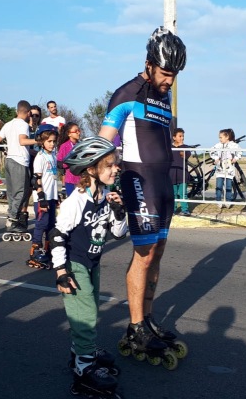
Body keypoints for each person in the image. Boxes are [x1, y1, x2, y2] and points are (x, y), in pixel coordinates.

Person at [98, 26, 186, 352]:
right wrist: (99, 181)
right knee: (144, 255)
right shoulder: (127, 94)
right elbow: (104, 141)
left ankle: (147, 319)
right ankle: (135, 327)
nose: (169, 81)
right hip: (139, 182)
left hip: (163, 185)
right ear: (149, 64)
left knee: (158, 255)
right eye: (165, 73)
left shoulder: (165, 95)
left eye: (174, 75)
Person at [48, 137, 126, 396]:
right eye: (109, 165)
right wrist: (61, 272)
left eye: (115, 164)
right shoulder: (77, 200)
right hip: (75, 264)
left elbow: (118, 233)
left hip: (93, 263)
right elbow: (57, 235)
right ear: (91, 169)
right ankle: (84, 369)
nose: (115, 169)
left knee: (88, 311)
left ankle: (81, 352)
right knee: (86, 316)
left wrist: (118, 210)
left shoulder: (105, 195)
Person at [0, 100, 37, 233]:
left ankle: (12, 219)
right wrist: (39, 140)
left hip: (9, 161)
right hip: (19, 162)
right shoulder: (23, 125)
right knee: (21, 192)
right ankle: (12, 219)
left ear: (17, 111)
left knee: (12, 193)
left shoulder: (9, 124)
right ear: (28, 113)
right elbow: (22, 141)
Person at [28, 124, 59, 268]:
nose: (52, 144)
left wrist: (56, 196)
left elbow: (53, 178)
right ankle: (35, 252)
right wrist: (41, 198)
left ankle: (48, 250)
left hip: (51, 196)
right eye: (49, 141)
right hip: (42, 198)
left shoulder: (52, 155)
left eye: (53, 141)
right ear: (41, 142)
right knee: (42, 223)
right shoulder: (40, 157)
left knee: (51, 225)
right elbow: (36, 180)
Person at [209, 128, 242, 209]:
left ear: (227, 137)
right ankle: (218, 200)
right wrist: (216, 158)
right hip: (220, 169)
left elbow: (240, 151)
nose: (219, 139)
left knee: (228, 186)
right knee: (219, 186)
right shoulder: (218, 145)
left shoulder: (234, 145)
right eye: (219, 137)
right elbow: (211, 151)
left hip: (229, 169)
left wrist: (235, 158)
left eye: (221, 137)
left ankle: (228, 201)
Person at [169, 128, 191, 216]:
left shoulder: (185, 147)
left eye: (183, 136)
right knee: (173, 194)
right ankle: (172, 210)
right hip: (172, 174)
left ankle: (185, 209)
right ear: (174, 137)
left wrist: (181, 146)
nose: (182, 138)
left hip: (183, 174)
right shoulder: (170, 147)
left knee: (183, 193)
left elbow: (184, 156)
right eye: (180, 136)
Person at [57, 122, 81, 196]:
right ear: (69, 134)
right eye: (76, 131)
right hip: (70, 179)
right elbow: (59, 163)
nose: (78, 133)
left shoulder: (81, 145)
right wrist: (70, 163)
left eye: (79, 130)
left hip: (81, 180)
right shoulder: (64, 146)